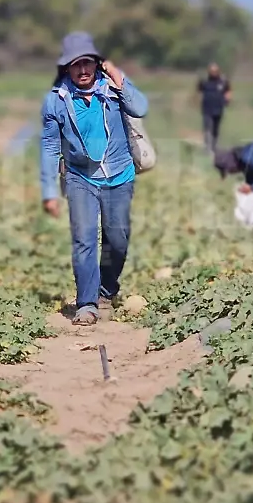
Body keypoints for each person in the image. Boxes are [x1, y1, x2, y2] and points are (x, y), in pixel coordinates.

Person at [40, 31, 149, 326]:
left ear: (97, 64)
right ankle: (87, 303)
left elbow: (141, 108)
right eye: (76, 65)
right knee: (84, 240)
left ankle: (106, 289)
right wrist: (49, 190)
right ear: (67, 68)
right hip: (80, 177)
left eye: (88, 63)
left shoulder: (112, 89)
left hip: (119, 174)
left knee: (118, 239)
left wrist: (116, 73)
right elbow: (50, 147)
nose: (83, 70)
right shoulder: (56, 101)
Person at [196, 63, 231, 153]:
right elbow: (199, 91)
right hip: (207, 109)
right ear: (209, 72)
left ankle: (214, 146)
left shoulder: (223, 81)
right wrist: (198, 100)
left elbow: (228, 91)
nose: (214, 73)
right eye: (212, 71)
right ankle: (207, 147)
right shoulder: (204, 81)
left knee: (216, 128)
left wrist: (227, 99)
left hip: (218, 109)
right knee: (208, 128)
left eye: (215, 71)